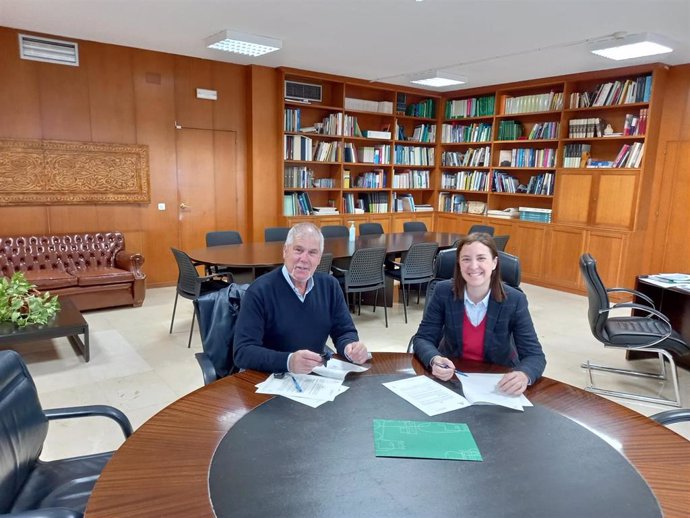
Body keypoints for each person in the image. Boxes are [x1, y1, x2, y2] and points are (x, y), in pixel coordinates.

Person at [412, 233, 546, 395]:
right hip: (453, 376)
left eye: (481, 258)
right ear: (459, 264)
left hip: (497, 381)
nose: (473, 266)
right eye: (466, 259)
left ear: (494, 263)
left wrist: (524, 374)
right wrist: (435, 359)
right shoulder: (443, 291)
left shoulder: (514, 300)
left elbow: (534, 355)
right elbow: (423, 338)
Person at [233, 222, 368, 373]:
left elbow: (344, 331)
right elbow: (243, 352)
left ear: (319, 258)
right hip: (266, 378)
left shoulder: (330, 286)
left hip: (311, 377)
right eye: (298, 250)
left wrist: (350, 347)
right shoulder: (259, 291)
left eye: (312, 252)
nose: (304, 259)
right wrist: (288, 361)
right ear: (285, 251)